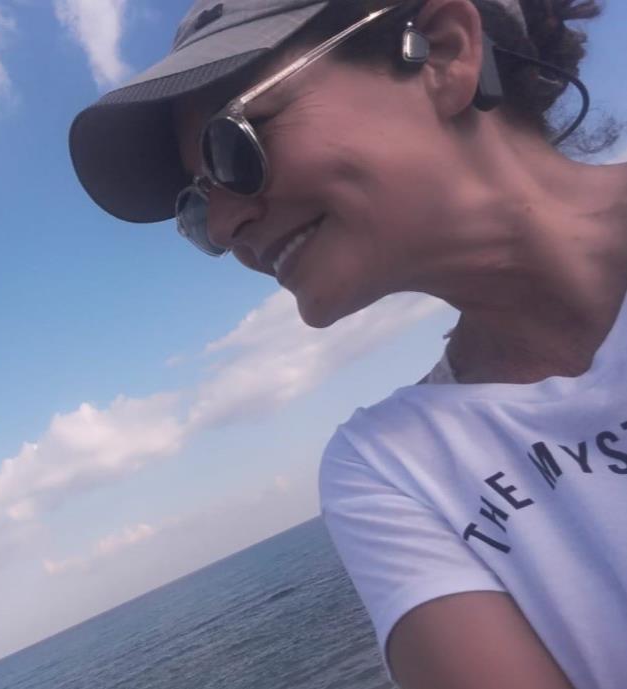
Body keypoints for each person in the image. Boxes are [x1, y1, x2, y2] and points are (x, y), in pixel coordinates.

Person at [69, 0, 627, 687]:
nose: (220, 225)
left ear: (442, 52)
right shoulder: (393, 466)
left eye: (232, 145)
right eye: (195, 204)